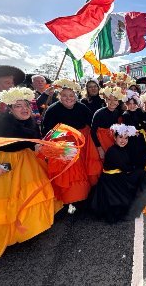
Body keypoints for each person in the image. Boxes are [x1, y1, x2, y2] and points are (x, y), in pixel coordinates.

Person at [0, 87, 56, 264]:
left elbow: (34, 140)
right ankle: (0, 238)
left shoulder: (31, 121)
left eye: (26, 104)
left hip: (25, 164)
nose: (24, 108)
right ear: (9, 109)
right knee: (1, 202)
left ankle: (23, 230)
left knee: (27, 196)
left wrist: (41, 148)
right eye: (18, 106)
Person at [42, 79, 101, 210]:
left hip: (83, 142)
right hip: (64, 144)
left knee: (85, 169)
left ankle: (86, 196)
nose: (68, 98)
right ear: (59, 96)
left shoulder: (81, 107)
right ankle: (72, 199)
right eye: (64, 95)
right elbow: (47, 130)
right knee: (70, 172)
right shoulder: (52, 110)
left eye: (71, 95)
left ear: (75, 96)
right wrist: (59, 143)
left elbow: (91, 123)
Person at [89, 124, 146, 223]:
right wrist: (134, 170)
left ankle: (140, 195)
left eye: (126, 138)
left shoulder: (123, 148)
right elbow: (126, 168)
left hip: (119, 176)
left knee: (140, 173)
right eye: (121, 137)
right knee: (141, 174)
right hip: (110, 182)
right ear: (115, 137)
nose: (123, 140)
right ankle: (138, 196)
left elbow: (130, 161)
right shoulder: (112, 151)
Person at [91, 86, 125, 158]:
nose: (112, 102)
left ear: (118, 102)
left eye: (115, 100)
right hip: (100, 141)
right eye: (109, 99)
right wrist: (99, 148)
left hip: (111, 139)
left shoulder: (116, 112)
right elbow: (93, 132)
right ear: (105, 100)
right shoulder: (99, 113)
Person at [122, 90, 146, 169]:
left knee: (143, 154)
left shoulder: (139, 111)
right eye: (130, 104)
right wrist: (137, 128)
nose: (132, 106)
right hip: (131, 139)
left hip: (140, 137)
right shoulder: (126, 114)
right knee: (134, 155)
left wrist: (141, 126)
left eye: (134, 103)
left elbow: (144, 122)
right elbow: (128, 127)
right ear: (126, 104)